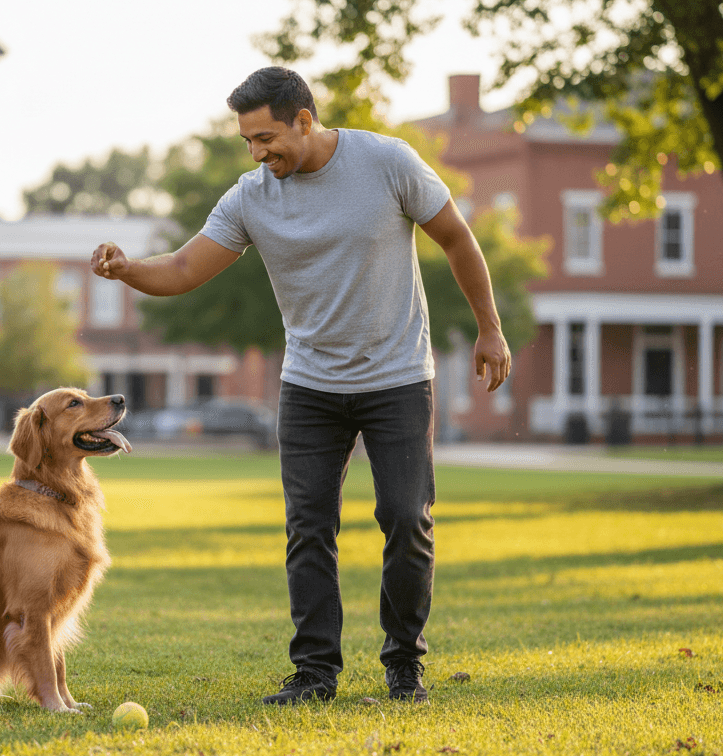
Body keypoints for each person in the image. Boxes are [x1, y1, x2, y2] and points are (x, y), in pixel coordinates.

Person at [89, 66, 510, 705]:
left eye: (266, 139)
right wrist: (127, 271)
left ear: (304, 120)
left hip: (396, 377)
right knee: (308, 528)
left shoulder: (387, 162)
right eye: (248, 143)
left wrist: (490, 329)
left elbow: (456, 237)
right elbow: (182, 268)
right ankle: (315, 674)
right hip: (310, 385)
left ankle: (404, 666)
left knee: (405, 519)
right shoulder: (251, 196)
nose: (258, 154)